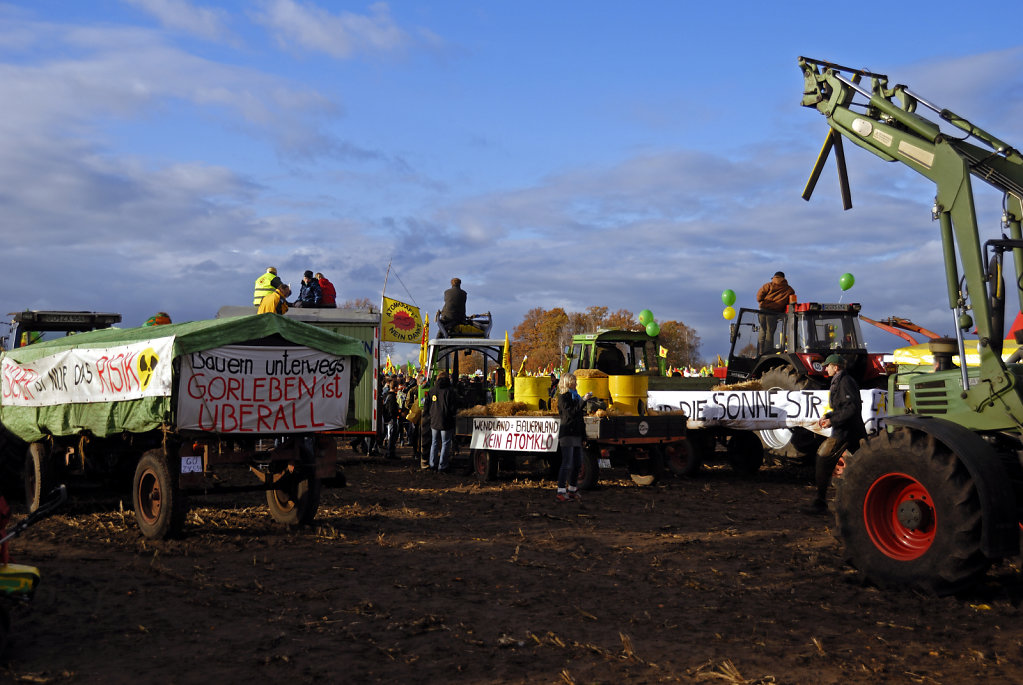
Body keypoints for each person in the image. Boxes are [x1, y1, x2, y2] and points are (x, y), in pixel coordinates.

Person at [804, 353, 868, 514]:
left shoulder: (845, 382)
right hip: (851, 430)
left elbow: (851, 408)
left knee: (822, 458)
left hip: (845, 431)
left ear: (836, 367)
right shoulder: (841, 381)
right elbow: (844, 407)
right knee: (866, 464)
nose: (826, 369)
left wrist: (833, 421)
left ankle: (820, 502)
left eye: (828, 366)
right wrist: (829, 416)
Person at [555, 373, 592, 502]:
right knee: (567, 463)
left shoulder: (575, 397)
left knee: (577, 463)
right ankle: (560, 491)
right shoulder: (563, 397)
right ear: (568, 383)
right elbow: (570, 413)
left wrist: (584, 436)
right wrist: (583, 401)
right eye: (574, 382)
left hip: (577, 434)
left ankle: (572, 489)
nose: (576, 384)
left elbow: (579, 418)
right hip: (567, 433)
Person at [423, 371, 458, 473]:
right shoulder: (450, 391)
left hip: (434, 421)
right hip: (446, 421)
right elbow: (453, 407)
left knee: (434, 442)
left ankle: (433, 464)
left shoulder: (432, 390)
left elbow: (427, 406)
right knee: (445, 443)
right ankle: (442, 466)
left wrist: (429, 416)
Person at [756, 271, 795, 352]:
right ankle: (767, 352)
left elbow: (759, 296)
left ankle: (760, 352)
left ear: (774, 277)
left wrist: (762, 303)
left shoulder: (768, 285)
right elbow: (791, 303)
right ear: (784, 278)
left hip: (763, 310)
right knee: (770, 332)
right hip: (773, 313)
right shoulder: (789, 289)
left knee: (762, 330)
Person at [381, 380, 400, 459]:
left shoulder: (386, 395)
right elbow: (391, 410)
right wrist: (398, 413)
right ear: (395, 387)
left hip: (387, 418)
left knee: (391, 436)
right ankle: (390, 454)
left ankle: (390, 453)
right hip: (391, 419)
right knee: (392, 436)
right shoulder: (392, 397)